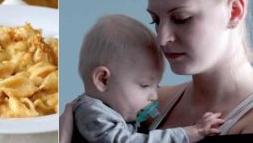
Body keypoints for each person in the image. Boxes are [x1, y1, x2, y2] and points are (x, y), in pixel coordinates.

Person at [60, 0, 253, 141]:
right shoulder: (148, 104)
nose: (162, 39)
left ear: (234, 11)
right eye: (155, 21)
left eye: (181, 19)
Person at [61, 14, 224, 143]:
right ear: (103, 80)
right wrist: (190, 133)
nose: (154, 95)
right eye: (145, 85)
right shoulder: (92, 113)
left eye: (156, 86)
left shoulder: (114, 111)